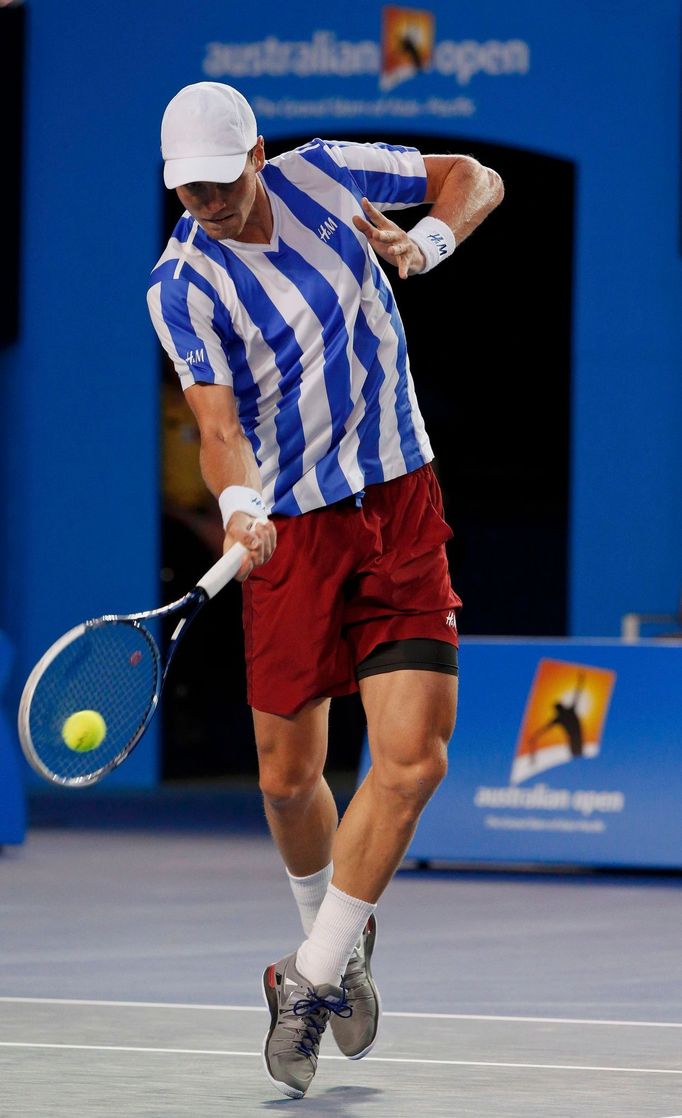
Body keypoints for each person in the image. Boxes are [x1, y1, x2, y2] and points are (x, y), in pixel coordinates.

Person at [148, 81, 504, 1099]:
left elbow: (471, 177)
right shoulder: (180, 285)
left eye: (219, 182)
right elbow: (216, 424)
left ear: (257, 154)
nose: (206, 204)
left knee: (412, 758)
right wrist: (239, 501)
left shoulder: (326, 173)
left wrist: (428, 241)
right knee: (284, 776)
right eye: (188, 191)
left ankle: (303, 981)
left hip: (397, 498)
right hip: (290, 531)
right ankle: (336, 944)